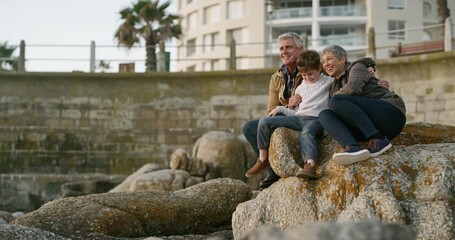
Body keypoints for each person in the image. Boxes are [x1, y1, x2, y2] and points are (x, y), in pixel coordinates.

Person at [244, 49, 332, 180]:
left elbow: (344, 74)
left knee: (306, 134)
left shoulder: (329, 81)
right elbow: (298, 111)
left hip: (316, 119)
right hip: (298, 118)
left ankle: (310, 165)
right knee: (264, 121)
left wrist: (368, 68)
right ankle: (263, 159)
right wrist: (280, 109)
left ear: (319, 68)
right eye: (303, 75)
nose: (307, 78)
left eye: (310, 74)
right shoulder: (301, 87)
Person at [318, 45, 406, 165]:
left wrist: (336, 101)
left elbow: (353, 88)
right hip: (370, 126)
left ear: (342, 59)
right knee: (324, 114)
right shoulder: (333, 87)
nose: (326, 64)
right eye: (323, 62)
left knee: (335, 101)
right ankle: (353, 147)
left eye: (329, 59)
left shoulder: (356, 67)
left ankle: (379, 139)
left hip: (390, 113)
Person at [242, 32, 304, 189]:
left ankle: (270, 168)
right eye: (281, 48)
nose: (284, 52)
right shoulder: (276, 77)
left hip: (304, 115)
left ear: (300, 49)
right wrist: (287, 107)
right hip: (284, 114)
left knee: (266, 123)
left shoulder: (311, 67)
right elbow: (271, 109)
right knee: (249, 127)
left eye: (289, 47)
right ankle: (272, 169)